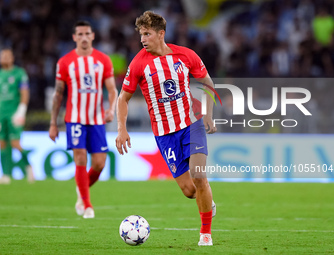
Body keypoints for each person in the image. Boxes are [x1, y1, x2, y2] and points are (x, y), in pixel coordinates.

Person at [115, 11, 217, 246]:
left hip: (192, 123)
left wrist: (209, 115)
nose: (142, 39)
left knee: (199, 176)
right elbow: (123, 99)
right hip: (164, 134)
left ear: (160, 34)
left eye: (147, 34)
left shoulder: (185, 55)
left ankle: (205, 234)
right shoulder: (139, 62)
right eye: (141, 34)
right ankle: (208, 201)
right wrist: (122, 129)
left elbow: (208, 83)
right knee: (190, 191)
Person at [49, 21, 118, 219]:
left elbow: (112, 90)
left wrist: (111, 110)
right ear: (74, 37)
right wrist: (53, 123)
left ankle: (81, 189)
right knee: (80, 158)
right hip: (75, 119)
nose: (84, 37)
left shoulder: (103, 60)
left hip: (97, 119)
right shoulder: (65, 62)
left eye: (87, 33)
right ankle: (87, 205)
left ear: (93, 35)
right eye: (80, 34)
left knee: (99, 164)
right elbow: (58, 94)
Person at [0, 48, 34, 184]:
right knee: (2, 144)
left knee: (15, 143)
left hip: (14, 113)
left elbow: (24, 93)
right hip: (1, 114)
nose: (5, 58)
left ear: (13, 58)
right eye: (3, 56)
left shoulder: (19, 73)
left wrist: (21, 111)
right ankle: (6, 174)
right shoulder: (0, 74)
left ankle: (28, 167)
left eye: (8, 56)